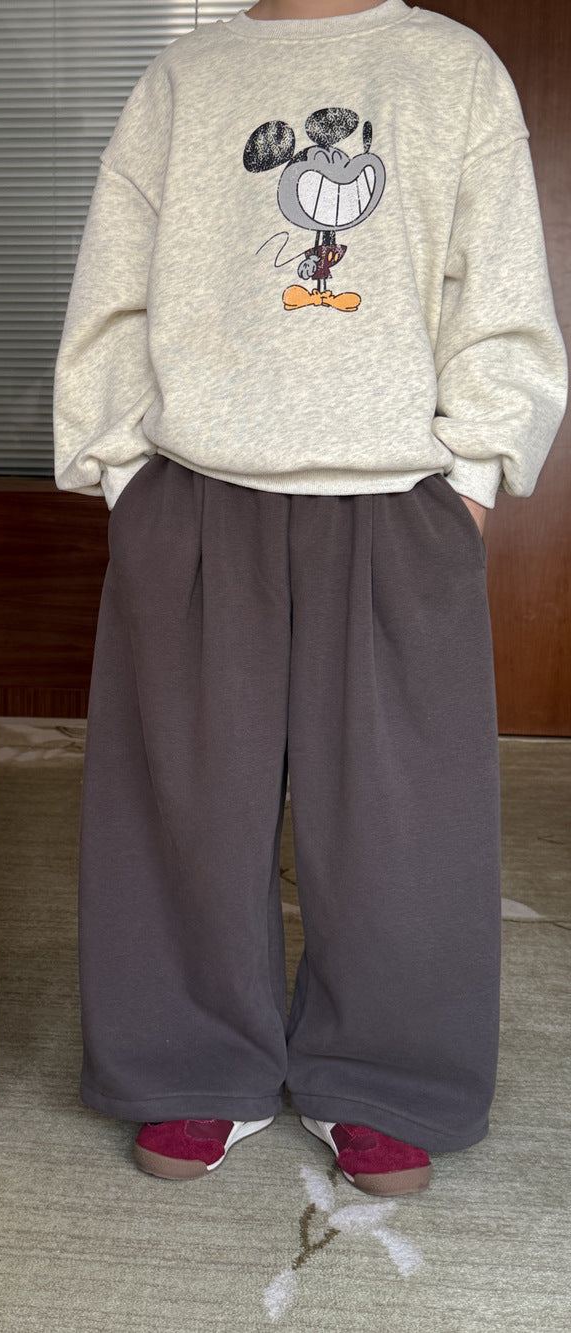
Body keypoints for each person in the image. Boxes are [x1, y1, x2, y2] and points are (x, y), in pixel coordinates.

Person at [54, 0, 566, 1195]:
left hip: (395, 501)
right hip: (195, 492)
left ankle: (383, 1074)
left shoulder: (451, 69)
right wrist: (124, 469)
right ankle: (192, 1059)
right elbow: (113, 293)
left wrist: (472, 479)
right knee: (179, 802)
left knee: (403, 817)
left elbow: (499, 291)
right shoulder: (183, 78)